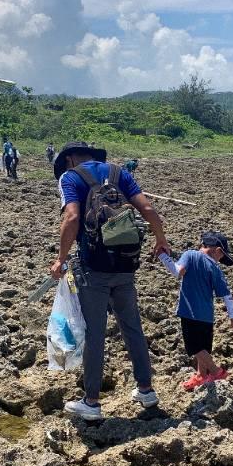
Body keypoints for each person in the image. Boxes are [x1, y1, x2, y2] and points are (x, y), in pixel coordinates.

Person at [51, 141, 171, 420]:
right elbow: (149, 210)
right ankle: (146, 390)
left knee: (95, 332)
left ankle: (91, 402)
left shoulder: (71, 177)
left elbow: (72, 217)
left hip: (94, 266)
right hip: (126, 263)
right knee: (132, 327)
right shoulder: (119, 173)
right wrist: (161, 240)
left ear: (69, 159)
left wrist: (61, 257)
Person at [159, 232, 233, 390]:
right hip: (208, 317)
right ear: (216, 250)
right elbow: (227, 296)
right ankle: (201, 376)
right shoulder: (215, 268)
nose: (221, 260)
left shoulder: (190, 254)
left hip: (190, 312)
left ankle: (216, 371)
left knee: (194, 348)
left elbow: (177, 271)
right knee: (204, 348)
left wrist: (162, 256)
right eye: (222, 256)